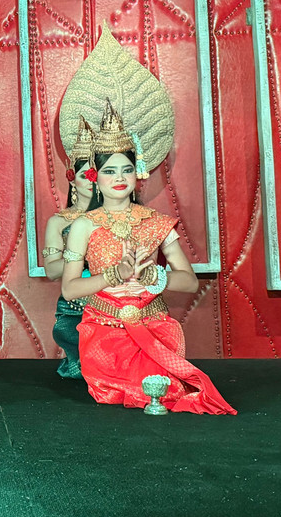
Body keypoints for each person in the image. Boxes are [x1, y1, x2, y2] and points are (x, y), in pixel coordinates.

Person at [61, 104, 235, 415]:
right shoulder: (84, 226)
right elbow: (69, 289)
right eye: (109, 171)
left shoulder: (156, 222)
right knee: (119, 392)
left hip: (155, 330)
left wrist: (152, 276)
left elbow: (189, 282)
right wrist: (114, 275)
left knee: (164, 390)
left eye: (126, 169)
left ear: (137, 173)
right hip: (105, 336)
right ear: (94, 177)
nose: (119, 178)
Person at [41, 117, 96, 379]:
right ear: (72, 180)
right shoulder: (59, 222)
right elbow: (52, 271)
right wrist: (82, 257)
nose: (92, 181)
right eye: (85, 175)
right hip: (76, 308)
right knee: (82, 369)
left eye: (98, 174)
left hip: (116, 304)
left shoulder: (118, 217)